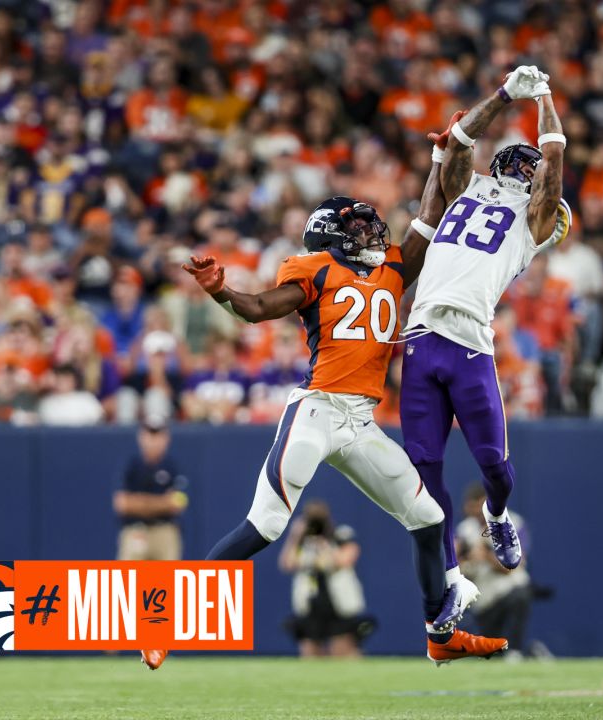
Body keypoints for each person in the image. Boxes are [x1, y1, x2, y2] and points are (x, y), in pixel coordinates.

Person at [141, 142, 506, 671]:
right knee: (264, 526)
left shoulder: (392, 270)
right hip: (317, 410)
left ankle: (439, 634)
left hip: (361, 421)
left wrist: (436, 162)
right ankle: (168, 621)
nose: (372, 234)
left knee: (428, 518)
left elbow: (430, 215)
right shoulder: (313, 270)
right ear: (332, 236)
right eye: (359, 229)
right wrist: (222, 291)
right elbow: (260, 308)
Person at [401, 66, 571, 592]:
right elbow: (457, 140)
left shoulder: (534, 217)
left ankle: (496, 515)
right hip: (420, 336)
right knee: (425, 472)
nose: (527, 173)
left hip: (470, 342)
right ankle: (450, 576)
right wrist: (502, 95)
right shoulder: (465, 187)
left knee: (494, 466)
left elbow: (555, 156)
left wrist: (541, 96)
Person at [278, 500, 371, 658]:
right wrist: (295, 536)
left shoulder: (340, 535)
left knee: (343, 650)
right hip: (310, 604)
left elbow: (346, 559)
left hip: (339, 604)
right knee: (310, 651)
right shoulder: (302, 542)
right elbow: (287, 564)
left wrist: (324, 542)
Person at [456, 485, 533, 659]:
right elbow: (453, 569)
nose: (476, 513)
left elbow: (512, 566)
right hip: (484, 597)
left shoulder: (512, 523)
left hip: (510, 587)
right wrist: (465, 560)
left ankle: (516, 651)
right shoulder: (465, 530)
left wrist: (486, 556)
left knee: (520, 596)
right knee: (492, 652)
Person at [112, 416, 187, 561]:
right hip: (135, 529)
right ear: (141, 437)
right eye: (150, 434)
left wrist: (139, 502)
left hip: (164, 529)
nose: (153, 441)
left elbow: (178, 503)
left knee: (168, 581)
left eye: (158, 435)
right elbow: (121, 504)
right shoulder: (131, 465)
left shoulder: (172, 466)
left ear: (166, 438)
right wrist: (161, 502)